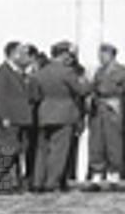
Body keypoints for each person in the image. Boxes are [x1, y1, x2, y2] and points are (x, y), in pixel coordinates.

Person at [29, 41, 87, 192]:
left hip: (44, 113)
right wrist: (88, 82)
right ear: (63, 54)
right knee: (59, 151)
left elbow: (35, 96)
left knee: (42, 150)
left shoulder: (40, 72)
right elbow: (81, 90)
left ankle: (37, 181)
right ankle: (51, 182)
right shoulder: (67, 72)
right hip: (64, 114)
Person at [0, 41, 32, 194]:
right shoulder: (2, 72)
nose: (25, 56)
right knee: (8, 151)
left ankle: (12, 182)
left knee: (16, 151)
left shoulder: (20, 72)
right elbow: (1, 97)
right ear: (13, 54)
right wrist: (4, 116)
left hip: (21, 118)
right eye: (22, 52)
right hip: (9, 119)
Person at [87, 43, 125, 186]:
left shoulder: (122, 71)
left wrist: (124, 107)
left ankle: (114, 174)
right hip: (98, 110)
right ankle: (96, 174)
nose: (101, 57)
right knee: (97, 143)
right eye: (100, 54)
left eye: (104, 54)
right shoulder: (99, 72)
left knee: (113, 142)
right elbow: (93, 88)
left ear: (112, 55)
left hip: (113, 110)